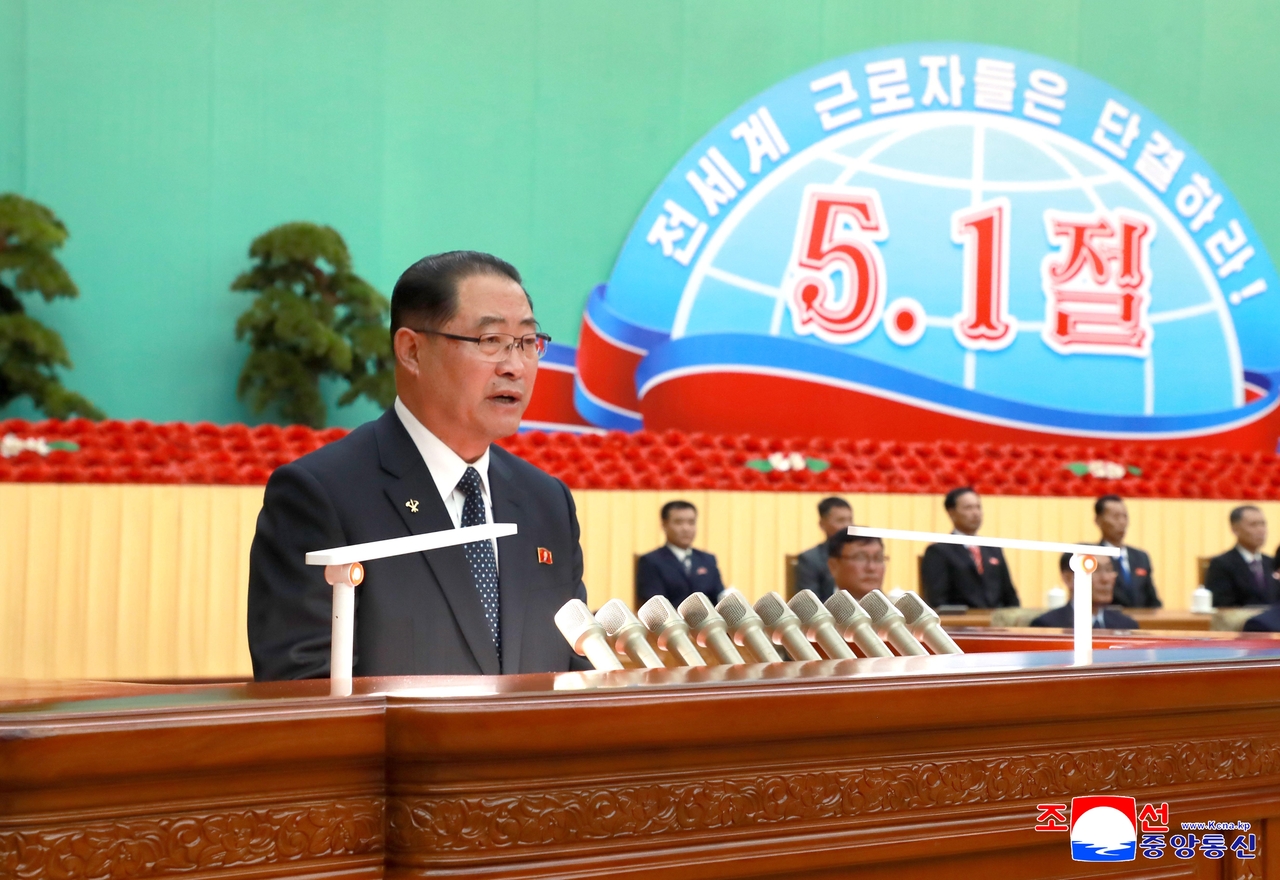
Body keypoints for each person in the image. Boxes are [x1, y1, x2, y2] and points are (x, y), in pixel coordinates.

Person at [247, 251, 590, 680]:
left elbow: (579, 672)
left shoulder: (546, 502)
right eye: (490, 341)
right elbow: (301, 693)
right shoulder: (321, 494)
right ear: (411, 351)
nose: (515, 366)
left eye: (526, 342)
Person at [921, 487, 1019, 608]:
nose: (975, 513)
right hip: (959, 622)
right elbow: (937, 600)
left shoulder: (993, 549)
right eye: (968, 508)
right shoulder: (939, 551)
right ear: (951, 513)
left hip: (997, 621)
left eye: (978, 507)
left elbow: (1010, 596)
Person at [636, 500, 725, 607]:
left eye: (691, 522)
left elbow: (719, 597)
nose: (686, 528)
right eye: (678, 522)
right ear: (664, 525)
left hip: (707, 621)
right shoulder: (651, 561)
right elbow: (654, 604)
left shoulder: (707, 559)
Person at [1031, 553, 1139, 629]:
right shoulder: (1047, 626)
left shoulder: (1126, 625)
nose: (1105, 579)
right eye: (1095, 570)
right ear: (1069, 578)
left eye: (1108, 569)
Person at [1093, 494, 1161, 607]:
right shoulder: (1095, 556)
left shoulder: (1140, 557)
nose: (1122, 522)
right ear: (1098, 520)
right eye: (1115, 517)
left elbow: (1152, 599)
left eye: (1125, 516)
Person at [1205, 506, 1279, 608]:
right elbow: (1222, 605)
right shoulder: (1222, 564)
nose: (1261, 530)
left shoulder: (1271, 563)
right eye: (1253, 525)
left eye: (1263, 524)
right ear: (1235, 530)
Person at [794, 497, 853, 600]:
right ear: (822, 524)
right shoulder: (810, 559)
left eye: (850, 520)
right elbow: (810, 604)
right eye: (840, 521)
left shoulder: (860, 556)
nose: (847, 526)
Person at [826, 531, 885, 601]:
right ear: (833, 566)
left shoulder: (896, 610)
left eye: (878, 558)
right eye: (860, 558)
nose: (871, 568)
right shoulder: (818, 609)